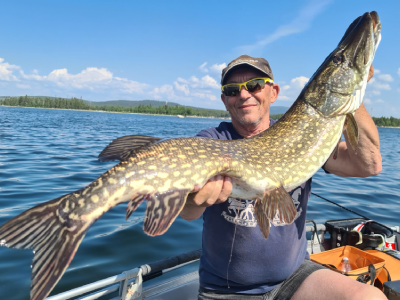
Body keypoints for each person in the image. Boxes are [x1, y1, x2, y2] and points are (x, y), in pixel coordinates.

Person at [180, 55, 385, 300]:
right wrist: (196, 199)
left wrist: (353, 92)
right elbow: (187, 212)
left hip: (295, 278)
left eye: (254, 85)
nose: (244, 95)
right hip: (227, 290)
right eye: (232, 90)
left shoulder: (302, 135)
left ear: (273, 92)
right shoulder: (212, 139)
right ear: (225, 100)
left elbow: (370, 165)